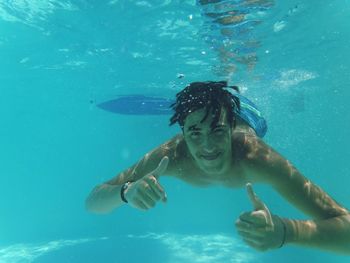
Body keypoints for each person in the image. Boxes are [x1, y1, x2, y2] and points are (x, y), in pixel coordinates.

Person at [86, 81, 350, 254]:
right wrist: (126, 192)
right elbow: (93, 202)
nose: (208, 146)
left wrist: (286, 231)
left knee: (250, 117)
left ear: (231, 129)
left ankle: (232, 106)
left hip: (251, 118)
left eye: (217, 130)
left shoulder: (257, 158)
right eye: (195, 133)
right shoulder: (171, 155)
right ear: (183, 133)